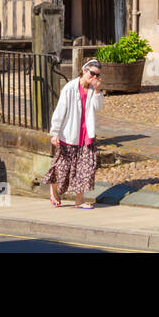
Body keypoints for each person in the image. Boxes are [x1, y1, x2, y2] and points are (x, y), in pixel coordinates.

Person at [45, 58, 104, 208]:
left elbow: (98, 107)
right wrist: (55, 132)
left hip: (86, 135)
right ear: (84, 71)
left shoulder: (93, 90)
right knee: (62, 167)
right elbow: (60, 111)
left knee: (87, 168)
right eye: (92, 73)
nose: (95, 77)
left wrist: (97, 91)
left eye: (97, 75)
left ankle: (79, 200)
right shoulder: (70, 87)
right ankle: (53, 190)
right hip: (69, 134)